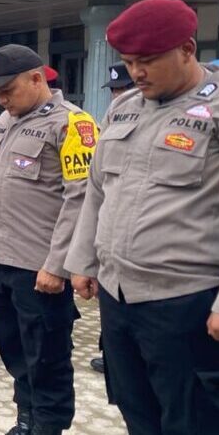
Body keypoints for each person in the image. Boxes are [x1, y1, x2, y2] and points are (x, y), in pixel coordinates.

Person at [66, 0, 219, 435]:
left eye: (148, 61)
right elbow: (96, 190)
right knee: (137, 408)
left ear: (187, 49)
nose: (136, 72)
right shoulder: (124, 108)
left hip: (187, 301)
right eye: (129, 61)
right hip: (119, 298)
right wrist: (82, 262)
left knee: (193, 419)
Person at [0, 44, 97, 435]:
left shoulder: (73, 124)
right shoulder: (7, 122)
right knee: (15, 351)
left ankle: (49, 426)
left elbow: (82, 198)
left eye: (8, 89)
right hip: (3, 264)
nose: (2, 99)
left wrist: (58, 265)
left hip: (41, 269)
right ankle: (26, 419)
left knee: (47, 359)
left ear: (37, 78)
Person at [86, 62, 135, 374]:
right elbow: (95, 189)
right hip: (111, 245)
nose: (118, 95)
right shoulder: (111, 122)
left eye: (123, 88)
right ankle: (111, 350)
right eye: (115, 89)